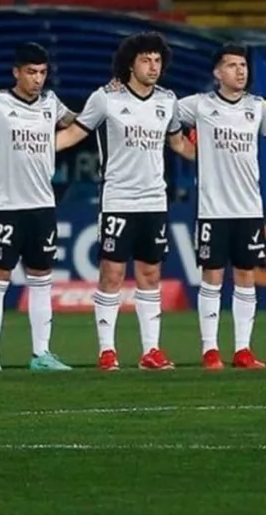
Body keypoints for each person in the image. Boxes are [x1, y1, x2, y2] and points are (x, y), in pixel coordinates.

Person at [55, 31, 195, 370]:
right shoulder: (106, 98)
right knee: (112, 274)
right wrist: (31, 149)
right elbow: (76, 133)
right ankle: (107, 350)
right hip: (118, 199)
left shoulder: (167, 100)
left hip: (154, 201)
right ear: (130, 64)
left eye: (158, 60)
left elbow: (178, 144)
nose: (153, 66)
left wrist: (219, 155)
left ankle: (151, 350)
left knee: (150, 273)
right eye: (146, 60)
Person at [176, 43, 266, 369]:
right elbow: (161, 116)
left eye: (243, 65)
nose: (240, 71)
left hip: (249, 209)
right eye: (232, 65)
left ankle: (243, 351)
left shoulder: (257, 108)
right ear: (217, 73)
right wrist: (186, 149)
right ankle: (210, 350)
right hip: (213, 209)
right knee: (212, 276)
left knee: (246, 275)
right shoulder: (198, 106)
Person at [0, 42, 75, 372]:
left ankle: (41, 354)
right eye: (31, 72)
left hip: (43, 207)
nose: (38, 79)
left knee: (42, 279)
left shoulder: (51, 104)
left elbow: (76, 123)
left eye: (43, 73)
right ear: (16, 72)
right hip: (7, 206)